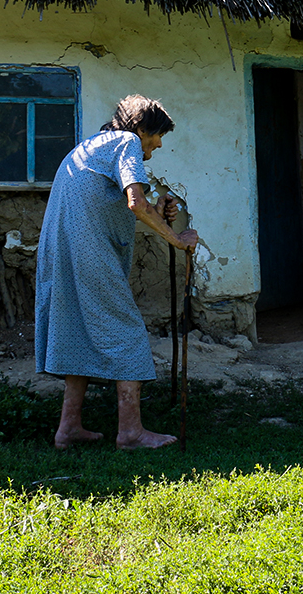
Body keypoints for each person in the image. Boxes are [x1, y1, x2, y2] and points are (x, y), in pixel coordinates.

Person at [34, 93, 199, 450]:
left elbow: (130, 203)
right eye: (156, 136)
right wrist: (177, 240)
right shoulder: (126, 142)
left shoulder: (94, 145)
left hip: (60, 254)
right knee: (127, 334)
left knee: (77, 332)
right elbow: (135, 203)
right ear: (140, 128)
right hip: (88, 253)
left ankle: (68, 429)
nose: (157, 145)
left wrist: (159, 209)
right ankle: (130, 433)